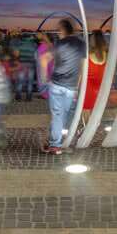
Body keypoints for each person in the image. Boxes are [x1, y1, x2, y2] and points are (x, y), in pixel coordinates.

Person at [40, 19, 86, 154]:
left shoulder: (59, 44)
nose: (58, 32)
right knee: (63, 115)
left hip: (56, 84)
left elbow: (44, 59)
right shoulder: (81, 44)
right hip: (71, 87)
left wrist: (44, 78)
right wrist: (77, 86)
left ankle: (55, 144)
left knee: (58, 115)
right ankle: (56, 141)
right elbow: (82, 67)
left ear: (63, 30)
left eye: (58, 30)